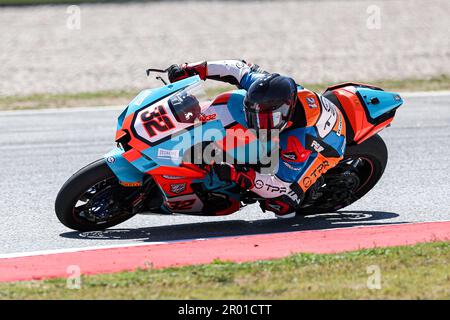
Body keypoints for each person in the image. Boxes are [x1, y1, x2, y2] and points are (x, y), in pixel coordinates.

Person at [167, 60, 346, 218]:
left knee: (282, 202)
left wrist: (238, 173)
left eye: (268, 120)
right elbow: (236, 68)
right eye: (255, 117)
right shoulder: (264, 87)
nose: (259, 124)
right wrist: (194, 68)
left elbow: (281, 184)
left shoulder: (298, 138)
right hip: (299, 123)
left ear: (286, 112)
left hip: (329, 144)